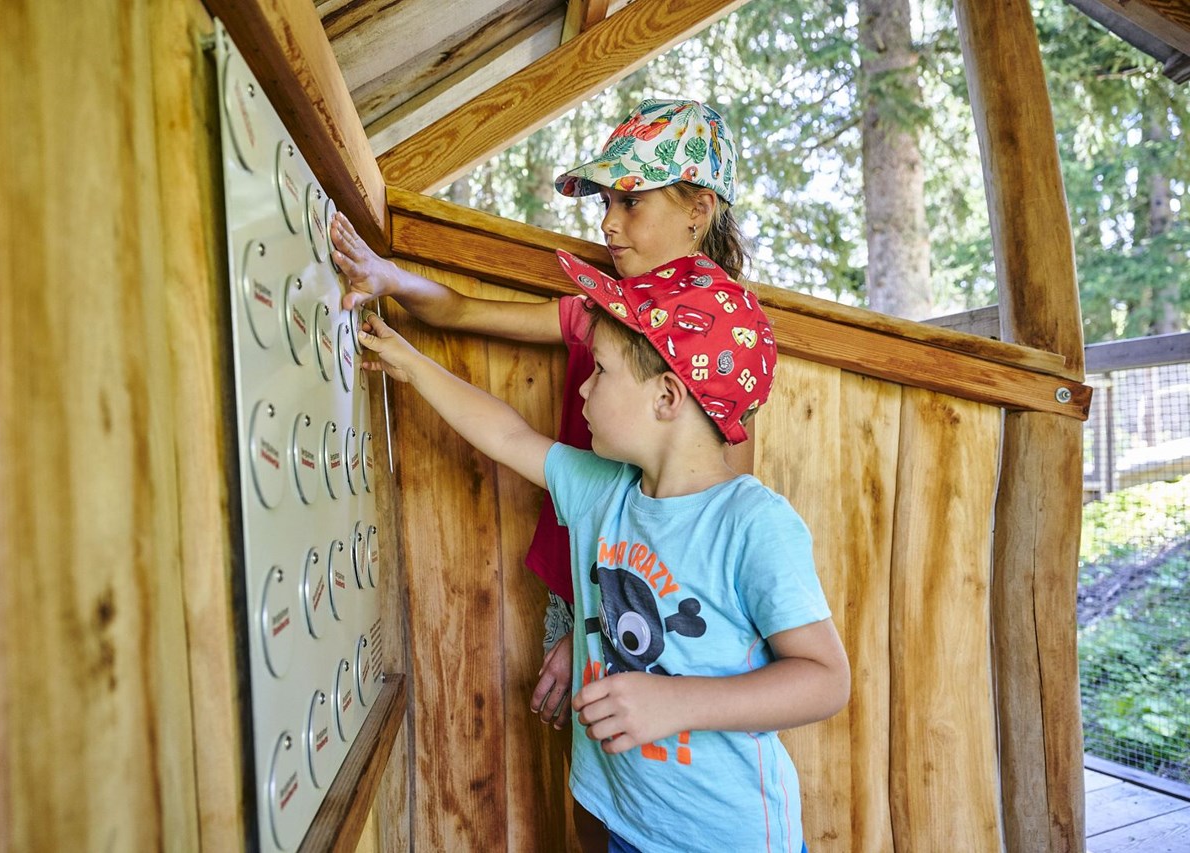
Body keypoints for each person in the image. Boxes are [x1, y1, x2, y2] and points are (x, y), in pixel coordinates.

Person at [352, 231, 850, 850]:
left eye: (601, 371)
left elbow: (825, 679)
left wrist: (677, 703)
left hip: (723, 837)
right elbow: (507, 436)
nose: (583, 388)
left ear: (666, 397)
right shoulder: (602, 490)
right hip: (620, 816)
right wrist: (409, 363)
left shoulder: (752, 523)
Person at [329, 100, 755, 740]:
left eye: (630, 202)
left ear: (699, 209)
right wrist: (391, 278)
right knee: (597, 764)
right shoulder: (598, 309)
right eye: (604, 203)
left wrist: (592, 630)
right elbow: (463, 312)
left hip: (663, 603)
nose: (608, 223)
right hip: (583, 574)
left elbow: (714, 512)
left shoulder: (724, 343)